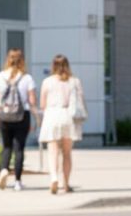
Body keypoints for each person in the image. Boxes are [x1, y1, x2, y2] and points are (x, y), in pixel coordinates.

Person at [0, 48, 36, 191]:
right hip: (22, 116)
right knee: (19, 149)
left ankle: (4, 169)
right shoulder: (27, 78)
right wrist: (36, 118)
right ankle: (17, 181)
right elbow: (32, 101)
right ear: (22, 60)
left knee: (6, 146)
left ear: (8, 60)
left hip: (4, 116)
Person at [39, 55, 85, 194]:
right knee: (67, 153)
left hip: (52, 116)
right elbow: (80, 101)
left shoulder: (47, 82)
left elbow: (42, 104)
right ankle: (66, 184)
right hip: (68, 116)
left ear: (53, 65)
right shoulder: (74, 81)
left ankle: (54, 177)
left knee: (52, 151)